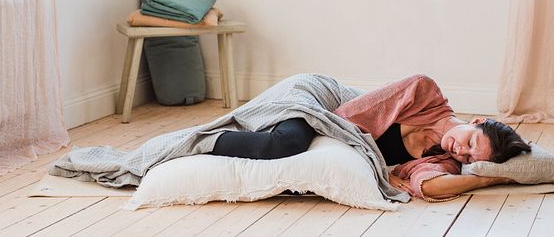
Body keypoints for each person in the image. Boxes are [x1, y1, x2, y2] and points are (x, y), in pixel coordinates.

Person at [210, 74, 531, 202]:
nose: (460, 152)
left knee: (299, 179)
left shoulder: (443, 160)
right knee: (285, 145)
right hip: (321, 99)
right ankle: (202, 143)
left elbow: (426, 186)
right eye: (471, 143)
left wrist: (486, 181)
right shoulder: (424, 91)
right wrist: (382, 170)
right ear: (478, 121)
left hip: (331, 125)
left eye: (470, 160)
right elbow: (346, 117)